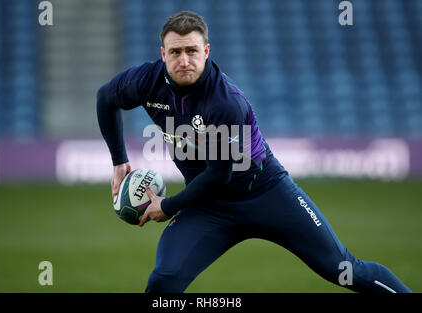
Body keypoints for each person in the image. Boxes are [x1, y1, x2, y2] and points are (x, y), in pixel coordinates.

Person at [96, 11, 411, 293]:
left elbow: (219, 176)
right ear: (162, 54)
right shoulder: (146, 80)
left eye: (192, 51)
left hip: (267, 194)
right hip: (208, 206)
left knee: (344, 270)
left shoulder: (224, 103)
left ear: (206, 52)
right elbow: (105, 99)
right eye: (175, 52)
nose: (184, 60)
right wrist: (119, 161)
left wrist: (169, 206)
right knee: (165, 280)